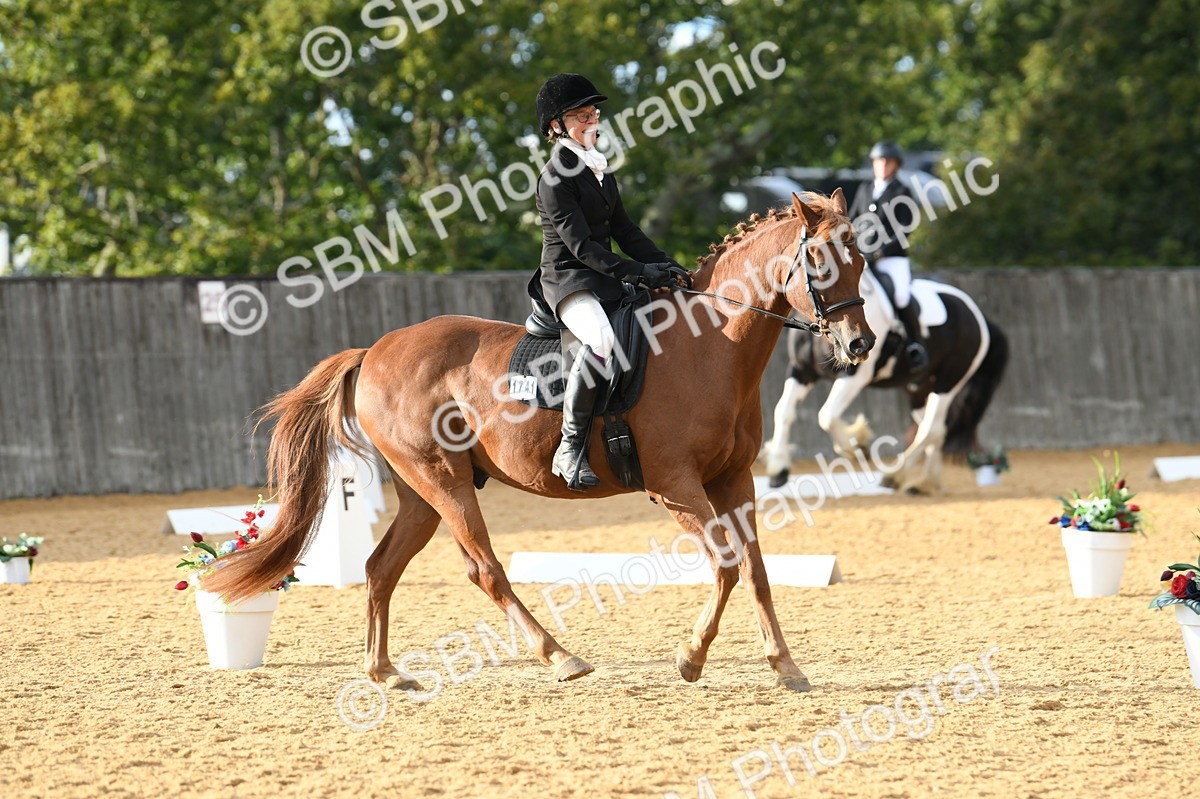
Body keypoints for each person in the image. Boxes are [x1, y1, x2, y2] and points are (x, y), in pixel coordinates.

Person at [528, 73, 689, 490]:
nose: (592, 120)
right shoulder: (554, 179)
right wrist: (639, 273)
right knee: (601, 342)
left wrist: (665, 264)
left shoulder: (599, 169)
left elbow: (627, 231)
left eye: (594, 113)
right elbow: (583, 248)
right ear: (556, 127)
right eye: (581, 115)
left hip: (605, 278)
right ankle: (570, 446)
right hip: (569, 281)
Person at [849, 140, 929, 372]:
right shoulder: (865, 189)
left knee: (902, 297)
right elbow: (853, 220)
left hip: (892, 259)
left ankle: (916, 344)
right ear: (873, 164)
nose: (883, 165)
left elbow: (904, 229)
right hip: (863, 258)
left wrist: (880, 252)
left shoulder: (901, 192)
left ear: (896, 165)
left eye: (888, 161)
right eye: (879, 161)